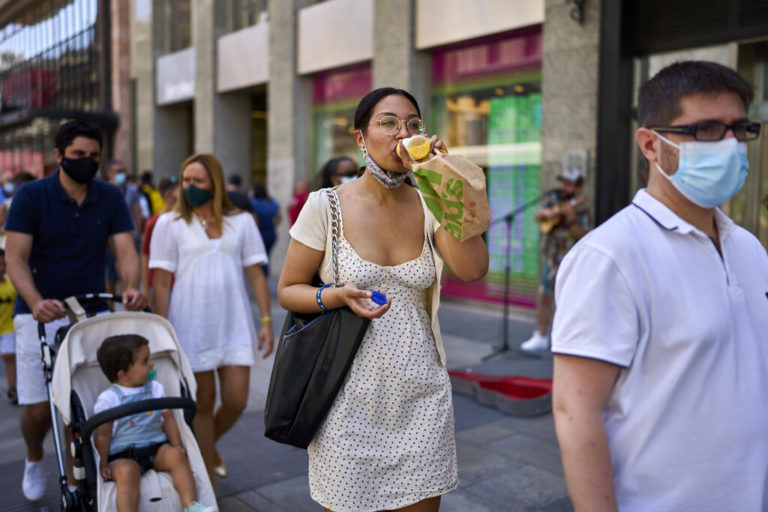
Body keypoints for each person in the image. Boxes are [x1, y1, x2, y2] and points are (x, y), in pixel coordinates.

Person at [551, 60, 768, 512]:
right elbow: (575, 412)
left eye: (739, 128)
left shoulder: (749, 248)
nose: (730, 145)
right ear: (651, 143)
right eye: (707, 129)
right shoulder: (608, 258)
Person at [278, 87, 489, 512]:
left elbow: (473, 267)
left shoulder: (431, 204)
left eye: (413, 124)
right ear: (360, 138)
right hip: (345, 399)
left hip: (421, 397)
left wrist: (442, 181)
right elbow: (289, 290)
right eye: (388, 122)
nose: (402, 133)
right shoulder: (326, 206)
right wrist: (336, 295)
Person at [5, 120, 148, 502]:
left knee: (87, 402)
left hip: (91, 310)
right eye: (78, 155)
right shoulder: (31, 196)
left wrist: (131, 286)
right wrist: (35, 301)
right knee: (38, 408)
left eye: (94, 157)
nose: (87, 162)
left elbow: (125, 251)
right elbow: (15, 257)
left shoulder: (110, 197)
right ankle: (34, 456)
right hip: (38, 311)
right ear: (58, 156)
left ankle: (82, 474)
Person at [149, 153, 274, 485]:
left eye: (198, 181)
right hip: (190, 324)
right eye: (185, 180)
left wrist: (266, 321)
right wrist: (161, 332)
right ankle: (206, 480)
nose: (189, 187)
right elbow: (161, 282)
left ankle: (204, 447)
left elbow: (257, 275)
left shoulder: (242, 222)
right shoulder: (169, 223)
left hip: (233, 323)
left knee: (236, 400)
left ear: (214, 184)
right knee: (202, 403)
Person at [94, 334, 214, 512]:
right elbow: (103, 434)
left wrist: (177, 445)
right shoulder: (109, 399)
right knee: (127, 473)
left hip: (157, 447)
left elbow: (168, 419)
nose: (152, 364)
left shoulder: (155, 388)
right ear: (123, 375)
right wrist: (103, 463)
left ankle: (192, 505)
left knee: (176, 456)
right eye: (145, 361)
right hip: (123, 454)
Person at [520, 169, 589, 351]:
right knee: (545, 296)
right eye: (563, 182)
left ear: (578, 187)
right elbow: (538, 215)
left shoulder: (581, 207)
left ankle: (567, 340)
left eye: (569, 184)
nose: (564, 187)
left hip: (570, 259)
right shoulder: (555, 199)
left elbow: (584, 236)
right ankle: (541, 335)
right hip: (552, 256)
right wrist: (548, 214)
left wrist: (572, 219)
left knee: (568, 300)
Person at [140, 178, 179, 304]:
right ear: (168, 197)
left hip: (181, 284)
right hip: (162, 285)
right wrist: (146, 291)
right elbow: (146, 256)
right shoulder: (154, 223)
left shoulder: (186, 221)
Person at [249, 182, 281, 277]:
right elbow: (279, 217)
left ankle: (261, 278)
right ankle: (265, 276)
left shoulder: (253, 203)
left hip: (259, 233)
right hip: (271, 233)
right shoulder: (272, 202)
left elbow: (255, 220)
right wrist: (272, 224)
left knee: (259, 258)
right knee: (266, 256)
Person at [0, 249, 18, 404]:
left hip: (8, 328)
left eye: (2, 265)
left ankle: (13, 388)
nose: (1, 268)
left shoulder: (11, 286)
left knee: (9, 356)